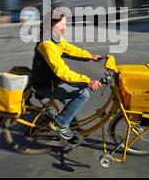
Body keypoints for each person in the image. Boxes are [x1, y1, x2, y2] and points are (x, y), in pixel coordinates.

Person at [31, 11, 102, 140]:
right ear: (52, 24)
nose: (65, 27)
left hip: (51, 80)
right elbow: (62, 72)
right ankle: (61, 123)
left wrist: (89, 56)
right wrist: (88, 81)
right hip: (46, 85)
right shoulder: (47, 44)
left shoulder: (54, 37)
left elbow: (69, 49)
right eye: (62, 24)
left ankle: (71, 125)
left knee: (71, 100)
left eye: (66, 24)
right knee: (82, 94)